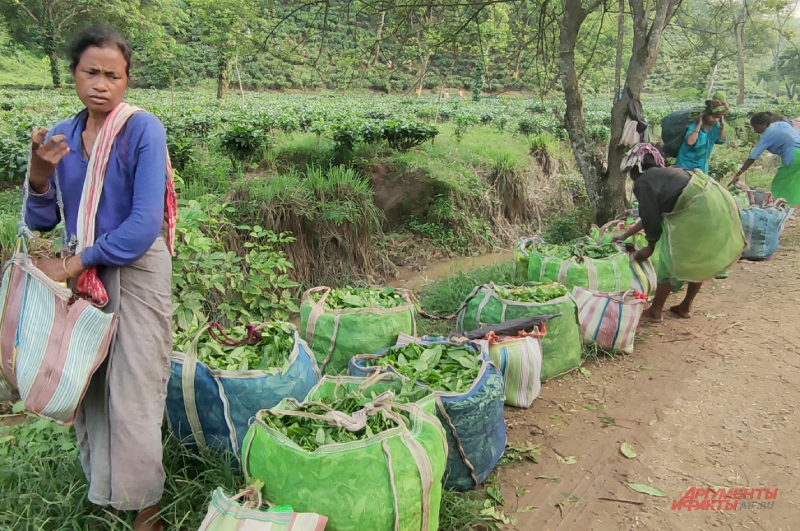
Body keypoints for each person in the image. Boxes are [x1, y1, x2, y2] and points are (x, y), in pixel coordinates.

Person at [24, 25, 174, 531]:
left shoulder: (141, 130)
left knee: (134, 388)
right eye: (92, 72)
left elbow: (141, 226)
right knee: (89, 384)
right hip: (86, 270)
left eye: (114, 75)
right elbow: (42, 218)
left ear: (128, 82)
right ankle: (109, 493)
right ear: (74, 74)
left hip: (135, 271)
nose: (102, 84)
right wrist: (39, 175)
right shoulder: (63, 136)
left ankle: (146, 510)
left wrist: (67, 266)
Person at [614, 144, 745, 322]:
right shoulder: (667, 175)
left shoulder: (643, 183)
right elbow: (651, 214)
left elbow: (651, 218)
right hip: (714, 204)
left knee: (669, 259)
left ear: (634, 170)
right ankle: (685, 306)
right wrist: (625, 236)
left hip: (696, 209)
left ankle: (655, 311)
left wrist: (650, 246)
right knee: (699, 258)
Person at [730, 111, 800, 206]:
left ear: (763, 125)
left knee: (780, 182)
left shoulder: (768, 132)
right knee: (795, 180)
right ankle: (795, 204)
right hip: (797, 152)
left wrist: (738, 173)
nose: (755, 131)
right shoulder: (781, 124)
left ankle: (782, 205)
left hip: (793, 155)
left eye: (756, 127)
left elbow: (753, 156)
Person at [674, 97, 728, 175]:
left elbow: (721, 140)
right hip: (685, 164)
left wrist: (722, 126)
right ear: (706, 115)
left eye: (718, 117)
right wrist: (699, 125)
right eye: (713, 117)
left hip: (701, 166)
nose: (716, 120)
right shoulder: (694, 126)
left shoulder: (716, 126)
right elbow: (690, 142)